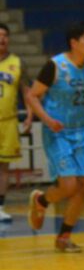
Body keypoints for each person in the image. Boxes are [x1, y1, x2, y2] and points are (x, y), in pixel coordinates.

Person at [23, 21, 84, 251]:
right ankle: (41, 200)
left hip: (82, 131)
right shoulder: (55, 66)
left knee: (83, 186)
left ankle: (64, 236)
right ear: (74, 43)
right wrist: (47, 120)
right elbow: (32, 96)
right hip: (58, 132)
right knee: (69, 185)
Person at [0, 22, 33, 222]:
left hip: (8, 121)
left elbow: (27, 92)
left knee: (3, 168)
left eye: (5, 35)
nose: (2, 39)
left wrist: (30, 115)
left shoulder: (17, 62)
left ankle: (0, 207)